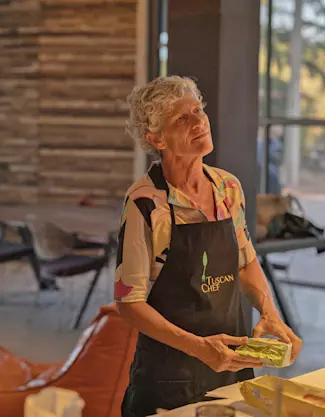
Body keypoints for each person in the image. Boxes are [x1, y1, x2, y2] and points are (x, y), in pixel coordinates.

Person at [115, 75, 302, 417]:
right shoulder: (145, 203)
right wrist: (200, 348)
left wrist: (269, 312)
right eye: (181, 119)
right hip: (169, 376)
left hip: (233, 367)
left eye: (198, 110)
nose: (199, 121)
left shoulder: (227, 188)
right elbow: (129, 303)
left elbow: (245, 262)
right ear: (155, 137)